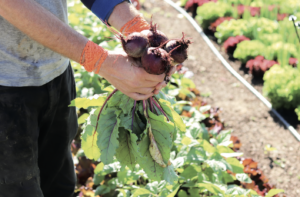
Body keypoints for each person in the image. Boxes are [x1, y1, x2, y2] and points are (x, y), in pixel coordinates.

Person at [0, 0, 175, 196]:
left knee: (59, 183)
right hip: (5, 86)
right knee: (16, 190)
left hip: (56, 72)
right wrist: (99, 61)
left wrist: (138, 29)